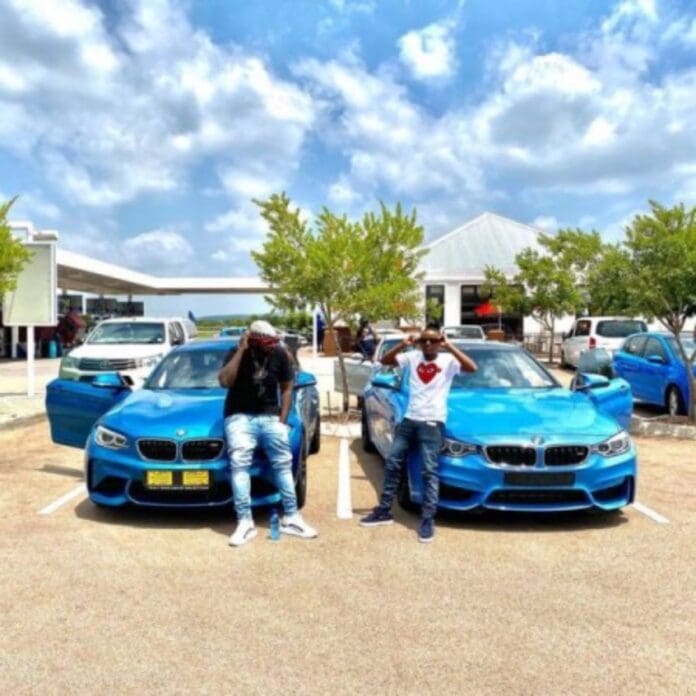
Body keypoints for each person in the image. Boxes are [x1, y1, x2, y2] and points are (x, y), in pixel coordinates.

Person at [359, 326, 477, 543]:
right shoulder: (412, 357)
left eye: (433, 341)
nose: (428, 344)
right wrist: (404, 343)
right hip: (410, 419)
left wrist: (449, 344)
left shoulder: (448, 361)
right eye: (425, 341)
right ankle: (384, 509)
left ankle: (427, 519)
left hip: (432, 423)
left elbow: (472, 368)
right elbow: (385, 361)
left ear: (439, 342)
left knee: (429, 470)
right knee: (393, 462)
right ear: (420, 342)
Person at [219, 320, 318, 547]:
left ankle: (292, 517)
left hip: (270, 417)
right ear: (253, 340)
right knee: (240, 464)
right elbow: (225, 381)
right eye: (267, 342)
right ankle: (245, 521)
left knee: (283, 463)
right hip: (239, 416)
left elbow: (287, 388)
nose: (272, 345)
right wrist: (241, 350)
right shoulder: (236, 352)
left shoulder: (280, 354)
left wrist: (282, 421)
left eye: (275, 341)